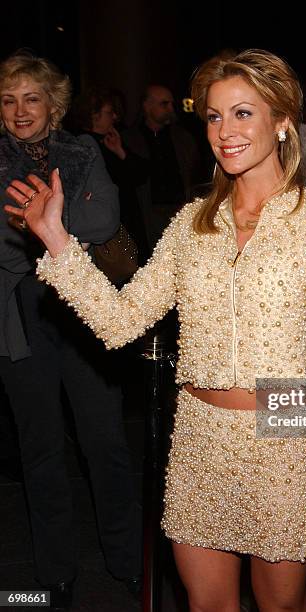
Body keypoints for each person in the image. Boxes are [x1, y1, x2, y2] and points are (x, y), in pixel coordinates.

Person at [6, 50, 306, 612]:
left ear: (281, 120)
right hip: (198, 440)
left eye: (243, 114)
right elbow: (119, 322)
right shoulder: (191, 224)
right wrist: (58, 244)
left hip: (280, 441)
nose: (225, 132)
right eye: (214, 117)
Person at [0, 52, 142, 611]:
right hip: (20, 320)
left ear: (53, 104)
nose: (19, 110)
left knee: (106, 445)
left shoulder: (82, 150)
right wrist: (57, 225)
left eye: (30, 98)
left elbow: (104, 219)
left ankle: (127, 560)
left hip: (83, 314)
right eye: (8, 100)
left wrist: (39, 224)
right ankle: (55, 573)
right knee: (41, 454)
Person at [69, 86, 150, 263]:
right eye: (109, 112)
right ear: (93, 114)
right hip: (109, 228)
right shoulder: (82, 144)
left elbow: (142, 174)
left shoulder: (111, 140)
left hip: (125, 222)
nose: (114, 117)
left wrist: (120, 151)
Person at [122, 83, 203, 250]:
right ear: (147, 106)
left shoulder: (183, 138)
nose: (170, 108)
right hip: (148, 212)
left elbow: (195, 173)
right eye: (164, 103)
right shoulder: (129, 139)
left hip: (181, 208)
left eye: (171, 103)